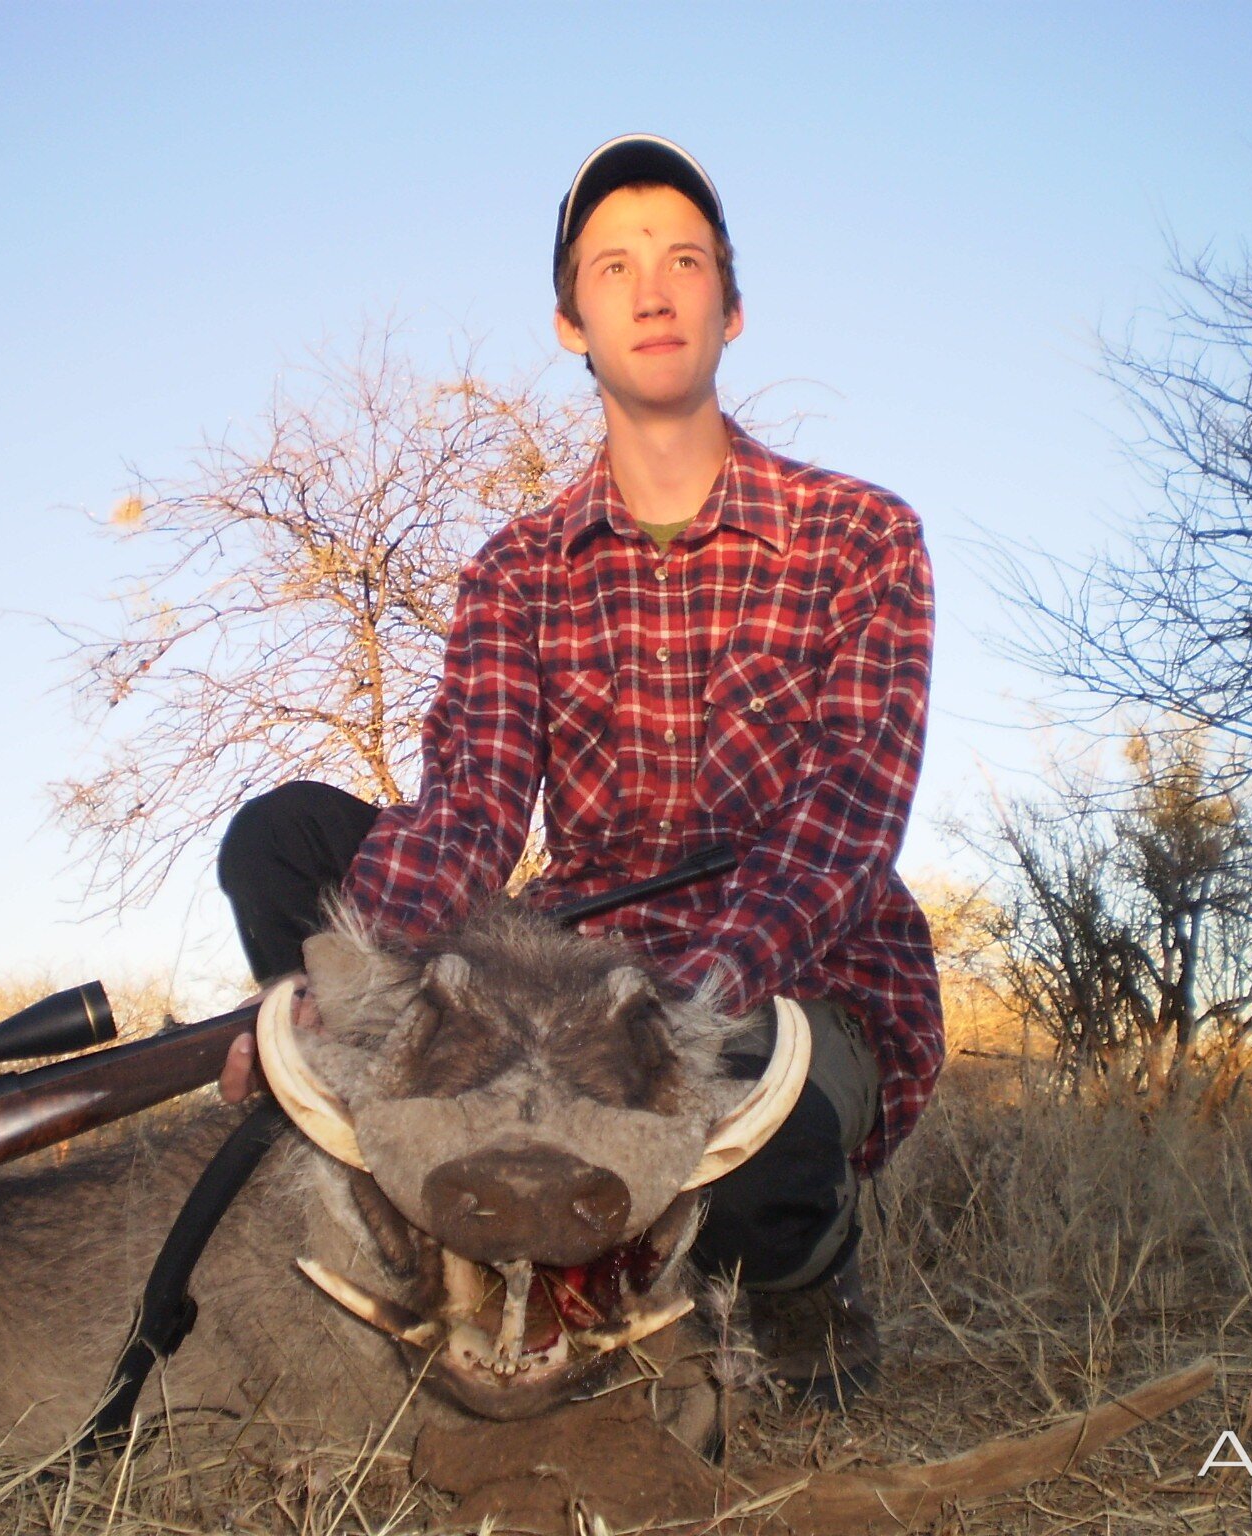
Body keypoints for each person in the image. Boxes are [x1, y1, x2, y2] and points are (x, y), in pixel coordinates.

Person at [215, 133, 943, 1407]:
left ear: (730, 306)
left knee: (761, 1151)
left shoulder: (864, 537)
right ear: (571, 322)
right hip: (561, 970)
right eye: (613, 267)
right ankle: (410, 1161)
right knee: (281, 840)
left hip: (783, 970)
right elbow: (475, 803)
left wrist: (680, 1015)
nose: (650, 292)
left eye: (682, 262)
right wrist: (353, 983)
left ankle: (802, 1293)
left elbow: (844, 821)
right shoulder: (516, 566)